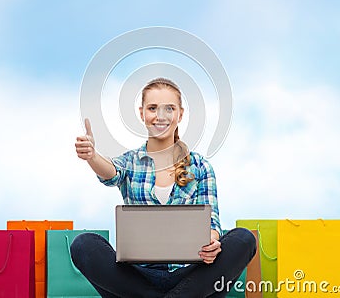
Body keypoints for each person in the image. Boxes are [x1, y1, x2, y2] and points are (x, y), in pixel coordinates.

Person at [71, 77, 256, 297]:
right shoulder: (131, 162)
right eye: (152, 108)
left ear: (180, 114)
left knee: (244, 239)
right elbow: (110, 172)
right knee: (83, 244)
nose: (160, 116)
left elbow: (213, 223)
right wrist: (92, 157)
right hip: (136, 276)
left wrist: (211, 243)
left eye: (169, 108)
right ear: (142, 113)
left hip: (191, 275)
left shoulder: (200, 167)